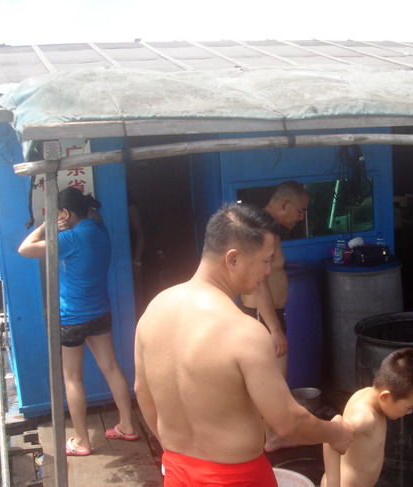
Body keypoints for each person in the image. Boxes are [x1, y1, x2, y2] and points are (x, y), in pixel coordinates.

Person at [134, 203, 352, 486]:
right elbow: (288, 422)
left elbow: (142, 391)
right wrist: (336, 433)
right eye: (266, 261)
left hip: (177, 470)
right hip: (237, 477)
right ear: (233, 259)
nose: (268, 271)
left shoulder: (154, 309)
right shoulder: (244, 333)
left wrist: (174, 451)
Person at [18, 187, 137, 456]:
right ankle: (127, 426)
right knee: (111, 367)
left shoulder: (69, 238)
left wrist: (47, 225)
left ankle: (82, 442)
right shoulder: (99, 228)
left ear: (64, 213)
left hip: (72, 318)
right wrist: (72, 212)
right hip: (100, 312)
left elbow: (24, 249)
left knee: (72, 378)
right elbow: (93, 214)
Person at [238, 180, 309, 451]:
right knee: (273, 380)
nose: (301, 217)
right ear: (283, 205)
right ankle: (272, 438)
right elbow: (259, 283)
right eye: (300, 211)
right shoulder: (262, 231)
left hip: (268, 314)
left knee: (270, 379)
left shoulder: (266, 228)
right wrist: (275, 329)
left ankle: (269, 435)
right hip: (263, 316)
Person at [321, 347, 413, 487]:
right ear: (385, 396)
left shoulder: (366, 393)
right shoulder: (366, 416)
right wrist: (333, 484)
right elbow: (330, 436)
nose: (410, 412)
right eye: (408, 407)